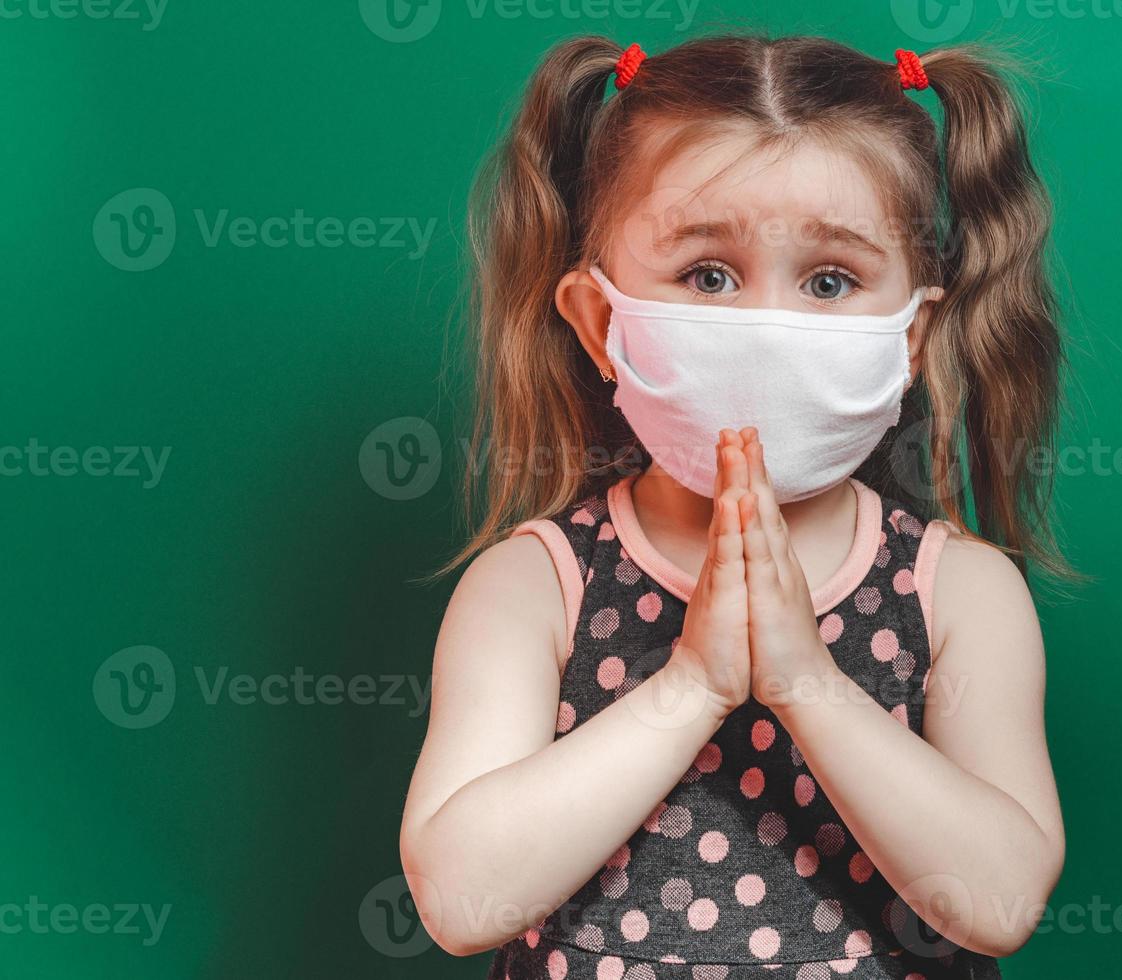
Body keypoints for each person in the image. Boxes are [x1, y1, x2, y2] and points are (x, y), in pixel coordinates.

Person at [400, 32, 1068, 980]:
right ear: (600, 322)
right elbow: (463, 903)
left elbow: (999, 905)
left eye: (831, 281)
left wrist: (808, 684)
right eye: (707, 276)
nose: (769, 330)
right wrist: (693, 684)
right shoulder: (536, 584)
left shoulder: (957, 590)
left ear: (910, 335)